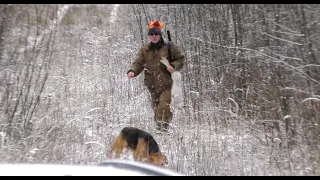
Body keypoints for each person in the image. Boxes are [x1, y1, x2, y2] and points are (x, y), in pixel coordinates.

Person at [127, 20, 185, 132]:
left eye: (156, 34)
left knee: (164, 106)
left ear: (160, 35)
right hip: (152, 85)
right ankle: (160, 129)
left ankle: (162, 129)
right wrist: (133, 71)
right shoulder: (145, 50)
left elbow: (181, 59)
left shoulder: (169, 47)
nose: (154, 36)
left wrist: (173, 66)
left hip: (167, 84)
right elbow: (138, 62)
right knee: (157, 108)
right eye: (151, 34)